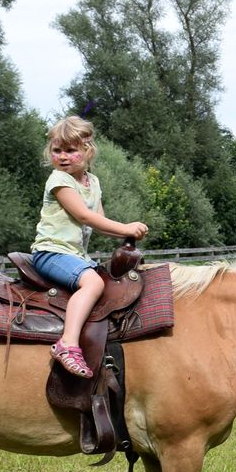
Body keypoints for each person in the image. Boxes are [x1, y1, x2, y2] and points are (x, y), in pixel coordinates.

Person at [29, 115, 148, 379]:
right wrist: (127, 227)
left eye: (70, 150)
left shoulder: (92, 183)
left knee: (111, 281)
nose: (62, 156)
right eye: (57, 150)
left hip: (75, 256)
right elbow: (84, 216)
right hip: (52, 252)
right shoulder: (60, 180)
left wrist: (124, 237)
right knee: (92, 284)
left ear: (87, 150)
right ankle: (67, 344)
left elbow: (100, 223)